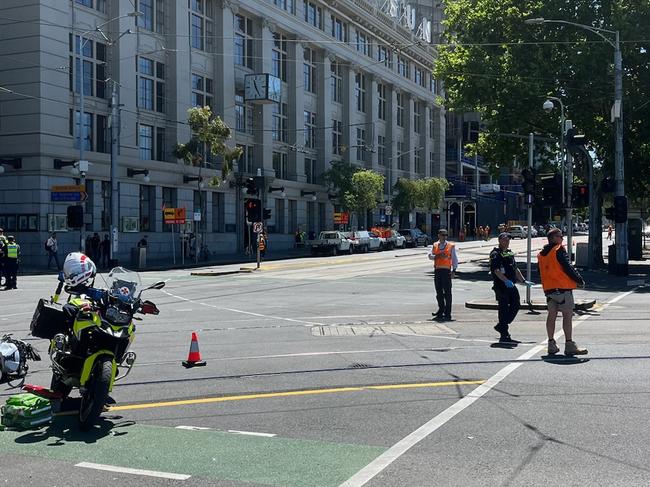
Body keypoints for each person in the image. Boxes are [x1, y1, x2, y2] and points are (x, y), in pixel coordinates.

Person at [537, 227, 587, 356]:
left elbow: (541, 272)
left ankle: (551, 344)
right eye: (560, 236)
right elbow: (568, 267)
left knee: (551, 315)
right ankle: (569, 344)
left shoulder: (541, 254)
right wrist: (579, 280)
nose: (562, 238)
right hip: (562, 288)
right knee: (567, 315)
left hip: (549, 290)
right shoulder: (558, 250)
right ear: (553, 238)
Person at [490, 232, 533, 343]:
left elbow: (515, 268)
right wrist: (506, 281)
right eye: (505, 239)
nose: (507, 241)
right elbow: (496, 270)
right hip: (501, 285)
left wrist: (523, 280)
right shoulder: (495, 253)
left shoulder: (509, 253)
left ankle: (502, 325)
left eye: (508, 240)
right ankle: (504, 332)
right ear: (499, 240)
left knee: (516, 304)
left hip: (511, 284)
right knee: (503, 308)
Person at [428, 228, 458, 322]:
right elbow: (429, 255)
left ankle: (447, 313)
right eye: (443, 235)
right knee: (439, 293)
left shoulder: (450, 246)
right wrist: (437, 256)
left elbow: (454, 259)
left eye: (446, 235)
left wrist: (454, 270)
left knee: (448, 293)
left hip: (446, 272)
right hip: (437, 271)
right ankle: (441, 310)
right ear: (439, 235)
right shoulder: (435, 245)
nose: (444, 237)